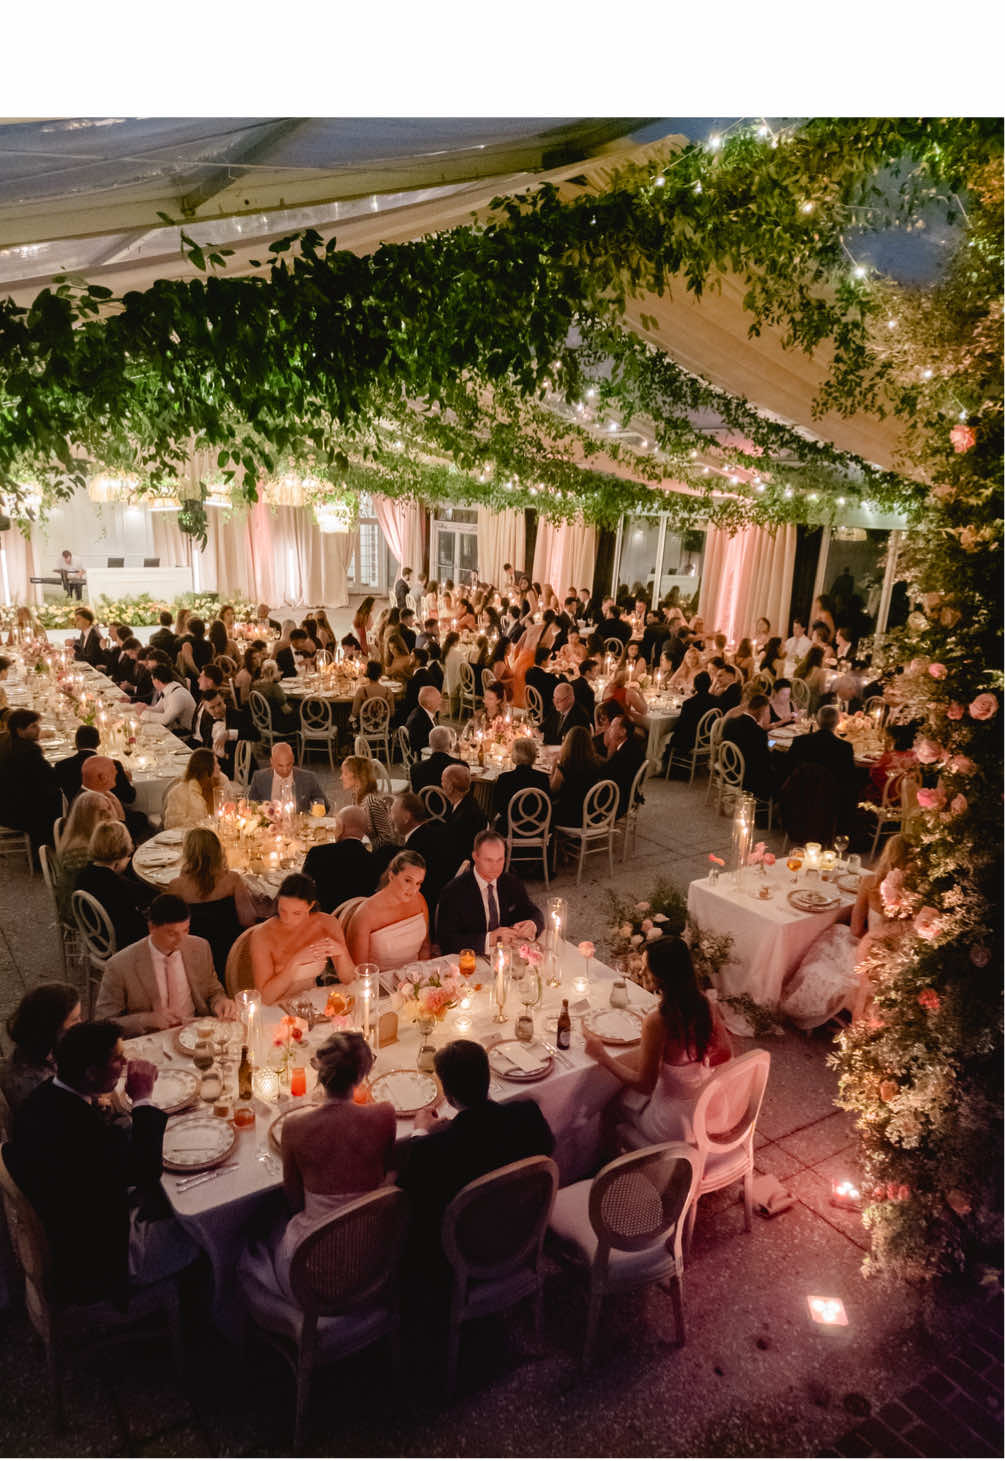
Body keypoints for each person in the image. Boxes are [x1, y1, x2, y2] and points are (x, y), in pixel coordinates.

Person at [5, 1021, 198, 1304]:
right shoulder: (77, 1130)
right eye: (117, 1059)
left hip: (79, 1222)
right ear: (91, 1073)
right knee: (203, 1228)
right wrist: (143, 1097)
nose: (125, 1062)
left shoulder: (45, 1096)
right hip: (104, 1258)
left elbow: (104, 1165)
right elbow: (144, 1170)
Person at [239, 1033, 396, 1303]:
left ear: (320, 1073)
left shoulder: (295, 1127)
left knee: (252, 1234)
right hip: (371, 1261)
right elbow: (388, 1172)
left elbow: (294, 1201)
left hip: (312, 1278)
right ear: (361, 1074)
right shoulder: (384, 1115)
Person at [396, 1039, 554, 1261]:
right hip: (521, 1229)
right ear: (488, 1079)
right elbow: (549, 1147)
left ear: (449, 1098)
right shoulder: (528, 1114)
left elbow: (409, 1194)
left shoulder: (434, 1151)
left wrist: (420, 1132)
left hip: (466, 1250)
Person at [585, 936, 733, 1149]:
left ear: (661, 977)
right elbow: (726, 1052)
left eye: (646, 968)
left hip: (676, 1123)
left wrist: (603, 1057)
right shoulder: (704, 1003)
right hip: (712, 1109)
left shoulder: (658, 1021)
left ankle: (612, 1167)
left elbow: (645, 1086)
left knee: (609, 1102)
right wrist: (694, 1068)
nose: (643, 972)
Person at [782, 836, 909, 1028]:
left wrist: (871, 935)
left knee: (832, 936)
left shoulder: (870, 881)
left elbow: (856, 930)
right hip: (898, 956)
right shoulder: (914, 894)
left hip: (866, 952)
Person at [95, 893, 236, 1034]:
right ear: (152, 928)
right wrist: (145, 1019)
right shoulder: (120, 965)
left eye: (185, 930)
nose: (181, 940)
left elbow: (213, 991)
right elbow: (103, 1023)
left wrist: (220, 1002)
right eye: (172, 934)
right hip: (151, 1037)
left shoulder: (200, 947)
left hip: (196, 1032)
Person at [247, 873, 355, 1004]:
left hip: (312, 1002)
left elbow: (350, 980)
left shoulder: (326, 924)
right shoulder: (262, 935)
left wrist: (342, 953)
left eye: (296, 913)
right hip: (275, 1007)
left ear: (310, 906)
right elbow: (265, 998)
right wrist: (293, 965)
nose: (288, 919)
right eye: (283, 910)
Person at [166, 827, 260, 974]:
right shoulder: (232, 880)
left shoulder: (176, 886)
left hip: (193, 958)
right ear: (218, 851)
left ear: (188, 854)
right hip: (228, 954)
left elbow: (170, 930)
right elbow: (247, 920)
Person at [435, 830, 543, 955]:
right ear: (475, 857)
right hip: (470, 959)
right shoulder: (453, 892)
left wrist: (533, 924)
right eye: (489, 860)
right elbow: (447, 941)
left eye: (500, 859)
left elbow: (534, 912)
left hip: (507, 954)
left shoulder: (511, 882)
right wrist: (490, 939)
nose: (495, 867)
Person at [0, 982, 81, 1118]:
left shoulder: (39, 1050)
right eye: (75, 1019)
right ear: (52, 1027)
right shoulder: (33, 1083)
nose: (81, 1022)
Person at [346, 849, 431, 968]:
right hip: (379, 982)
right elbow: (359, 970)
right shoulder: (365, 915)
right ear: (391, 876)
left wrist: (422, 978)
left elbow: (425, 947)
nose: (413, 890)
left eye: (418, 883)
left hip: (415, 979)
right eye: (408, 880)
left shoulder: (420, 900)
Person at [75, 820, 151, 949]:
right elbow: (137, 916)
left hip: (95, 937)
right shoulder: (116, 885)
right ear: (122, 851)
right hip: (118, 944)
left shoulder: (83, 874)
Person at [783, 704, 859, 829]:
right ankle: (843, 828)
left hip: (800, 794)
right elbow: (848, 778)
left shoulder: (800, 741)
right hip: (830, 800)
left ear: (817, 721)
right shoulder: (844, 747)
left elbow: (788, 767)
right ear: (837, 723)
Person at [0, 707, 61, 855]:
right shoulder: (29, 750)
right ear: (20, 730)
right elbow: (51, 776)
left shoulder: (5, 739)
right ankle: (44, 852)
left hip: (5, 804)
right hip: (16, 811)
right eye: (33, 727)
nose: (38, 729)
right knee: (60, 799)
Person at [53, 789, 118, 918]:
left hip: (91, 897)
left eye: (109, 809)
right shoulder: (81, 850)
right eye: (102, 812)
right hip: (84, 912)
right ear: (87, 818)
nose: (109, 815)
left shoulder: (82, 835)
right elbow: (104, 880)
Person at [301, 805, 377, 913]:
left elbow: (300, 889)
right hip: (355, 921)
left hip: (322, 921)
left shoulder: (318, 854)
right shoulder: (374, 862)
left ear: (340, 827)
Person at [721, 692, 775, 801]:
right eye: (766, 711)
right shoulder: (758, 732)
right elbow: (765, 757)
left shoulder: (730, 723)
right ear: (761, 710)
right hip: (747, 777)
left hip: (728, 769)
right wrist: (772, 743)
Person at [249, 741, 328, 814]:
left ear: (293, 759)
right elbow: (251, 804)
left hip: (298, 825)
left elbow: (324, 803)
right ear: (272, 762)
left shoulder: (308, 778)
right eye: (280, 765)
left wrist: (318, 805)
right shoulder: (259, 778)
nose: (285, 770)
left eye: (289, 764)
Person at [549, 724, 604, 826]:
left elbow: (552, 790)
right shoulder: (597, 764)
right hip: (592, 815)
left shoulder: (564, 767)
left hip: (570, 817)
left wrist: (554, 765)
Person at [493, 736, 550, 834]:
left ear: (515, 755)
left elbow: (499, 807)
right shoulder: (543, 778)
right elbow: (546, 807)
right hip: (537, 828)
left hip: (510, 828)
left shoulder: (504, 778)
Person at [163, 747, 229, 829]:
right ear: (205, 769)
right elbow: (172, 826)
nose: (219, 767)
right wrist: (201, 824)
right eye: (215, 764)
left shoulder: (222, 783)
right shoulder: (179, 793)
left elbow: (228, 811)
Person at [441, 763, 487, 875]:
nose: (441, 785)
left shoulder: (464, 817)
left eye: (443, 781)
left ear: (450, 787)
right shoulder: (467, 801)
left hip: (459, 868)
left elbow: (454, 850)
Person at [340, 755, 393, 849]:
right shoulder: (356, 795)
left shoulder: (373, 802)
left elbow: (387, 838)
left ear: (357, 776)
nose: (341, 777)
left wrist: (362, 847)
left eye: (345, 773)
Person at [665, 671, 717, 763]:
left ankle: (663, 766)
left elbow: (682, 725)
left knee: (664, 737)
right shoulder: (716, 701)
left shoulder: (689, 703)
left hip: (690, 741)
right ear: (710, 684)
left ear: (695, 686)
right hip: (709, 739)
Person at [602, 714, 646, 816]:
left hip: (619, 800)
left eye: (613, 726)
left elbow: (607, 773)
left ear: (623, 731)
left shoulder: (624, 753)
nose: (609, 729)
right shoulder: (631, 744)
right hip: (628, 793)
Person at [141, 663, 196, 733]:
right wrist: (143, 708)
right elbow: (159, 709)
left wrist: (145, 715)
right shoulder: (169, 689)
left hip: (186, 734)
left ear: (157, 681)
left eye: (152, 679)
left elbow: (165, 719)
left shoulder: (177, 695)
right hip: (175, 729)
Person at [409, 724, 463, 793]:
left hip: (423, 803)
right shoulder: (461, 767)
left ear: (430, 744)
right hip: (452, 803)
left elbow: (415, 795)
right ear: (450, 744)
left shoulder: (415, 769)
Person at [251, 658, 299, 733]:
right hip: (277, 725)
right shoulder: (275, 688)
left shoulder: (255, 684)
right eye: (277, 671)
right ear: (272, 672)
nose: (279, 673)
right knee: (302, 710)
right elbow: (286, 711)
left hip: (261, 722)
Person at [541, 680, 591, 746]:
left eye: (559, 700)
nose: (555, 703)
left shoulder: (579, 715)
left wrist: (544, 737)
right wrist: (535, 729)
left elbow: (567, 740)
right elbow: (544, 725)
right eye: (554, 699)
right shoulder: (557, 708)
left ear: (570, 699)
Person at [404, 685, 441, 754]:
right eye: (438, 699)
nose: (440, 701)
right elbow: (419, 745)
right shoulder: (418, 720)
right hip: (424, 756)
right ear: (429, 704)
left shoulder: (424, 712)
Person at [794, 644, 830, 711]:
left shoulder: (800, 667)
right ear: (820, 658)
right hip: (810, 704)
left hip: (797, 702)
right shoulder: (820, 672)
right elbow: (822, 692)